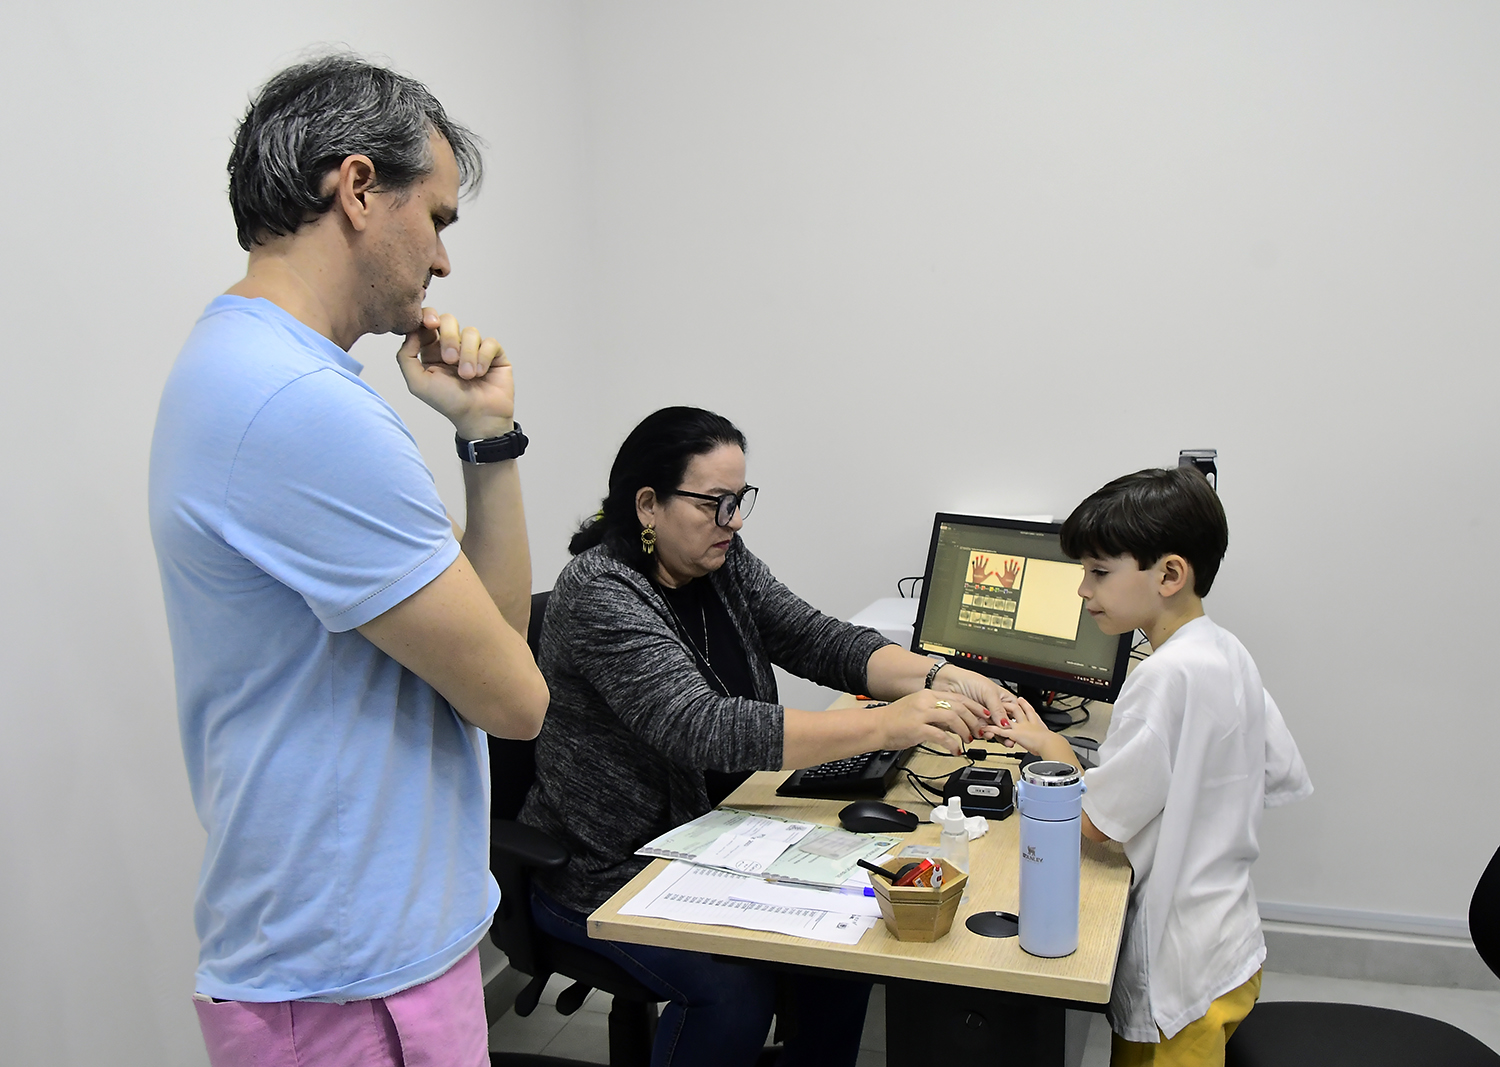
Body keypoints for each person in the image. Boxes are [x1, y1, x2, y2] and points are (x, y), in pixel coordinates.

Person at [149, 54, 548, 1067]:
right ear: (360, 188)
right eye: (441, 218)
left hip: (354, 958)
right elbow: (516, 698)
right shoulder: (299, 408)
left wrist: (484, 435)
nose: (445, 263)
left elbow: (493, 645)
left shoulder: (244, 368)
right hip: (353, 982)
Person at [518, 406, 1014, 1067]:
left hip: (717, 834)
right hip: (608, 867)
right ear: (648, 504)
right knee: (734, 989)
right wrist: (884, 722)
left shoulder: (719, 563)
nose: (735, 521)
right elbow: (701, 726)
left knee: (853, 933)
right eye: (715, 504)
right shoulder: (598, 592)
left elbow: (818, 638)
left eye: (740, 500)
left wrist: (940, 673)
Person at [994, 467, 1313, 1067]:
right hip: (1228, 946)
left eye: (1098, 572)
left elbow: (1095, 828)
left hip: (1175, 979)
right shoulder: (1225, 649)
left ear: (1169, 573)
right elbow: (1277, 770)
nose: (1083, 591)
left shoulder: (1161, 679)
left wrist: (1051, 757)